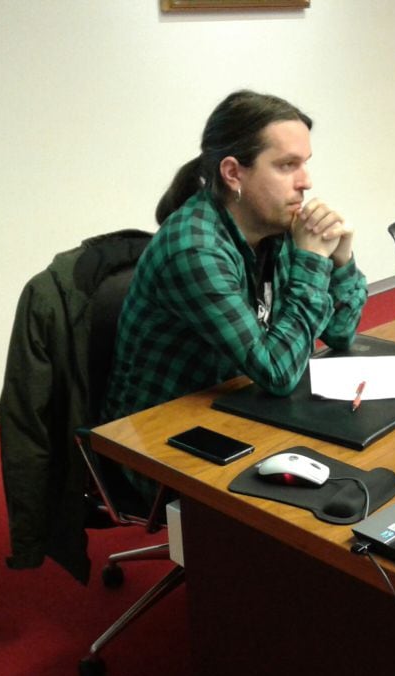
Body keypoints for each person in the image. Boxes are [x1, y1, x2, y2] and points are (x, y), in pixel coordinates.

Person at [102, 90, 368, 431]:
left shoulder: (276, 228)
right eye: (287, 165)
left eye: (305, 163)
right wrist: (314, 261)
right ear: (233, 173)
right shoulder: (195, 250)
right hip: (157, 444)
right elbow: (278, 373)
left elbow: (341, 334)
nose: (306, 182)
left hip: (237, 406)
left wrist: (341, 263)